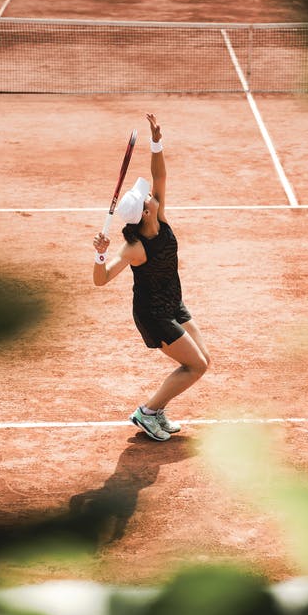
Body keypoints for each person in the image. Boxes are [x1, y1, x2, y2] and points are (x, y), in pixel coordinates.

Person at [92, 113, 211, 441]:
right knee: (196, 366)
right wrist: (100, 253)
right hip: (152, 315)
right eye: (146, 197)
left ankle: (155, 412)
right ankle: (146, 412)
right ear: (144, 212)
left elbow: (160, 174)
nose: (152, 193)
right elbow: (100, 279)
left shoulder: (158, 216)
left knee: (203, 361)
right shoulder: (134, 247)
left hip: (173, 302)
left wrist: (156, 140)